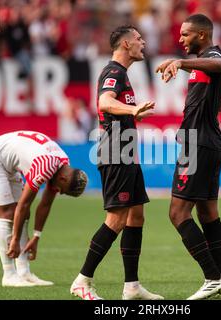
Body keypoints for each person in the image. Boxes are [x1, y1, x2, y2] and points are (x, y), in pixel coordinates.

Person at [70, 25, 163, 300]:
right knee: (116, 219)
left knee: (136, 216)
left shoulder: (123, 74)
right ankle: (82, 280)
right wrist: (132, 109)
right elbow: (104, 102)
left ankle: (132, 287)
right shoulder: (113, 72)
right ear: (125, 44)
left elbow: (114, 108)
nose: (143, 42)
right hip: (115, 154)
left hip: (126, 154)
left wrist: (132, 115)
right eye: (138, 38)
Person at [156, 14, 221, 300]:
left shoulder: (213, 56)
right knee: (207, 212)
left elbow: (220, 64)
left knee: (177, 213)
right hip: (205, 142)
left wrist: (180, 62)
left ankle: (213, 278)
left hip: (199, 145)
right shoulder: (201, 62)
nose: (180, 39)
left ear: (202, 35)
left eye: (185, 34)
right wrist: (181, 64)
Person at [0, 130, 87, 287]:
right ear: (63, 179)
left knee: (24, 215)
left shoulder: (62, 164)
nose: (59, 192)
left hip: (7, 163)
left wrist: (36, 236)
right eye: (62, 190)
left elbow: (45, 204)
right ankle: (9, 275)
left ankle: (24, 273)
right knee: (8, 213)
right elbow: (23, 205)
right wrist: (15, 239)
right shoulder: (45, 167)